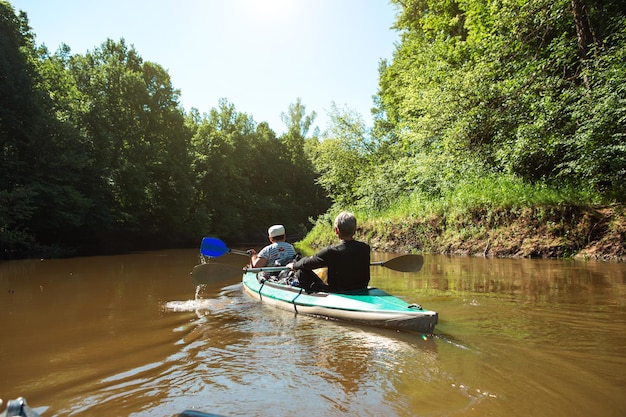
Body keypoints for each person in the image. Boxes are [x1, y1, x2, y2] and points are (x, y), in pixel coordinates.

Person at [286, 211, 370, 292]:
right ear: (355, 229)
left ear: (336, 230)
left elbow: (308, 263)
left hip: (338, 291)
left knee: (301, 272)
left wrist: (294, 265)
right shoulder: (365, 248)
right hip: (360, 288)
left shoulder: (331, 251)